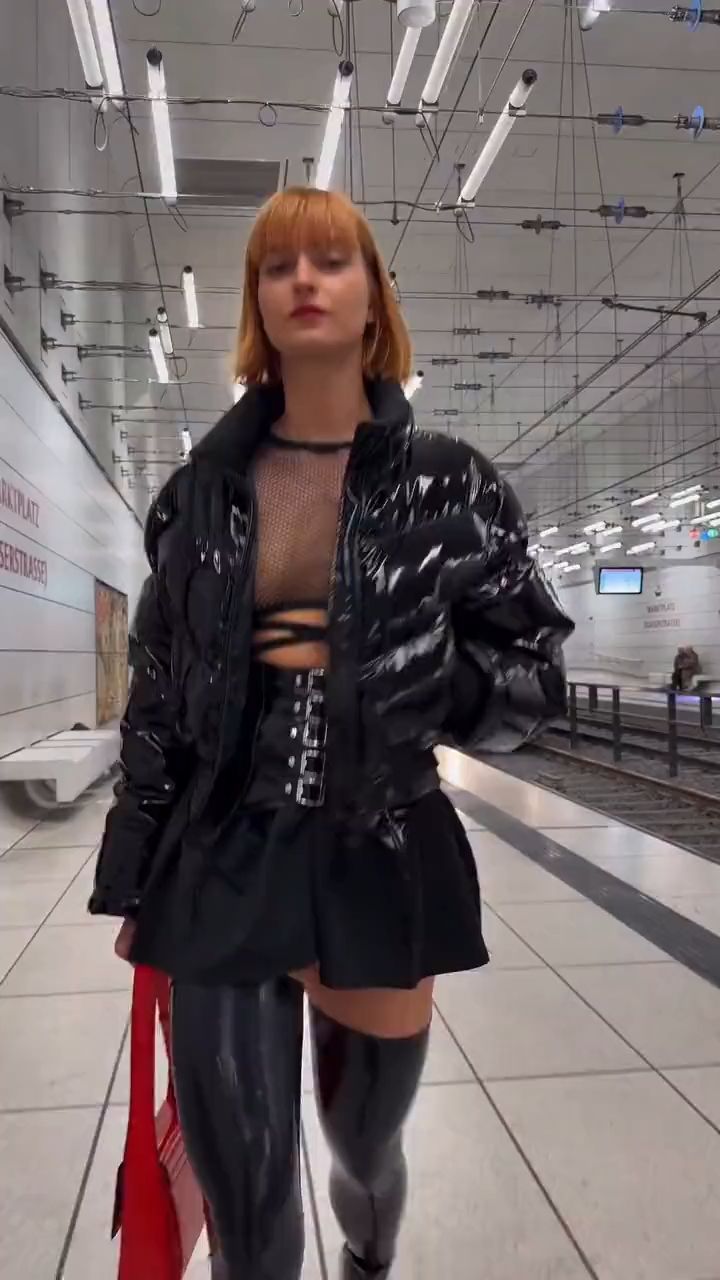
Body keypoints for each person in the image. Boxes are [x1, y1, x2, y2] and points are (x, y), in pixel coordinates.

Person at [88, 187, 573, 1280]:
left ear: (373, 299)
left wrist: (408, 670)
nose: (304, 279)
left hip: (381, 852)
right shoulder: (199, 495)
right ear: (257, 303)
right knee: (248, 1201)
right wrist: (133, 877)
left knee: (364, 1151)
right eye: (278, 265)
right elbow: (157, 700)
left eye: (331, 260)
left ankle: (370, 1256)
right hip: (221, 857)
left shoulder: (454, 483)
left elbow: (535, 678)